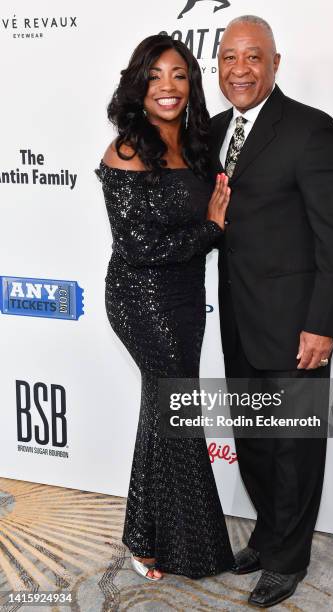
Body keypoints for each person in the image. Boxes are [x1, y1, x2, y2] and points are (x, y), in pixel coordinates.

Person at [210, 15, 333, 607]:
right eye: (228, 58)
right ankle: (269, 537)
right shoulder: (215, 130)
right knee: (254, 440)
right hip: (239, 321)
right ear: (217, 66)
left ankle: (289, 560)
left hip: (298, 325)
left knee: (294, 446)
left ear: (275, 64)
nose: (239, 69)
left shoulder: (312, 130)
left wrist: (323, 323)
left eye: (253, 57)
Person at [95, 34, 234, 581]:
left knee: (164, 408)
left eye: (178, 74)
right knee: (177, 409)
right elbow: (139, 248)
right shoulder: (127, 150)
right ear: (139, 85)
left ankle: (143, 535)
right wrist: (212, 230)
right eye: (155, 76)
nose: (168, 87)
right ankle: (190, 548)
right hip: (139, 298)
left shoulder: (198, 148)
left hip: (184, 296)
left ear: (190, 83)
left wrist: (214, 226)